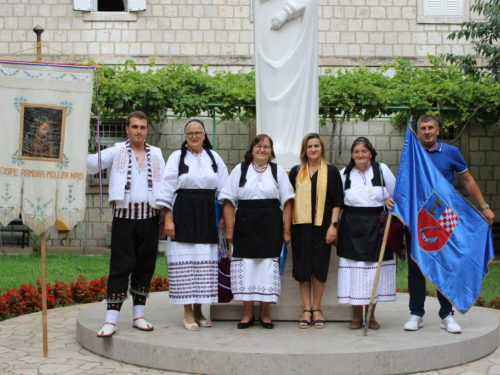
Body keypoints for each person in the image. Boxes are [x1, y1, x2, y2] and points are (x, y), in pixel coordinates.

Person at [403, 114, 495, 333]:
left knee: (446, 264)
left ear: (438, 130)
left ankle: (447, 314)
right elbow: (404, 185)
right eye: (422, 128)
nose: (426, 131)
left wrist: (484, 206)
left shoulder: (451, 152)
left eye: (430, 127)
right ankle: (416, 313)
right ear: (418, 131)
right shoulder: (412, 154)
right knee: (416, 266)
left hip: (444, 220)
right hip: (418, 220)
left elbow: (467, 180)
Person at [87, 111, 165, 338]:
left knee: (145, 267)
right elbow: (93, 164)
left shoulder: (157, 154)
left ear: (146, 129)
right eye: (135, 127)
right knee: (120, 267)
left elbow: (167, 184)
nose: (139, 131)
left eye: (142, 127)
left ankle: (139, 316)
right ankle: (110, 320)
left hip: (150, 219)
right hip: (124, 219)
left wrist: (164, 218)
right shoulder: (117, 150)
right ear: (127, 130)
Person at [156, 119, 228, 331]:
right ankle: (187, 312)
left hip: (207, 214)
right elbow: (167, 188)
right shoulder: (176, 158)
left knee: (204, 262)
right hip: (183, 214)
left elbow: (224, 189)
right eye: (190, 133)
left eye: (198, 132)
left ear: (204, 135)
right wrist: (168, 219)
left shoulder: (214, 158)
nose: (194, 136)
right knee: (186, 263)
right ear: (185, 137)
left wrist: (224, 216)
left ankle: (199, 310)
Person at [220, 134, 294, 329]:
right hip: (244, 227)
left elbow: (287, 202)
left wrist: (286, 232)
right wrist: (229, 229)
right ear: (251, 149)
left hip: (270, 227)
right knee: (246, 270)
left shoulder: (278, 172)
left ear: (271, 152)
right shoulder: (240, 170)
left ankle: (265, 315)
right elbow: (228, 200)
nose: (262, 149)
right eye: (259, 146)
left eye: (267, 147)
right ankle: (247, 315)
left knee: (266, 270)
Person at [336, 137, 397, 330]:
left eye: (363, 151)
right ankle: (356, 317)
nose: (360, 155)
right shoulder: (344, 174)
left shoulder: (382, 170)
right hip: (351, 225)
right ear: (352, 155)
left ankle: (370, 316)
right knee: (354, 272)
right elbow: (336, 202)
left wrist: (389, 201)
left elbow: (396, 194)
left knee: (373, 272)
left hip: (377, 224)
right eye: (356, 152)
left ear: (370, 152)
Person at [288, 133, 343, 329]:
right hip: (300, 228)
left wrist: (333, 225)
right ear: (304, 150)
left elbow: (337, 201)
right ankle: (306, 309)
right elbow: (289, 201)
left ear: (322, 149)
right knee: (303, 268)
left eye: (316, 146)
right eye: (309, 146)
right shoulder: (296, 172)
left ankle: (317, 308)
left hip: (323, 227)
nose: (313, 149)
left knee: (319, 266)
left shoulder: (331, 172)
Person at [254, 0, 319, 155]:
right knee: (271, 90)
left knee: (294, 89)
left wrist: (287, 10)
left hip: (292, 31)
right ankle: (273, 144)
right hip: (269, 29)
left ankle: (294, 145)